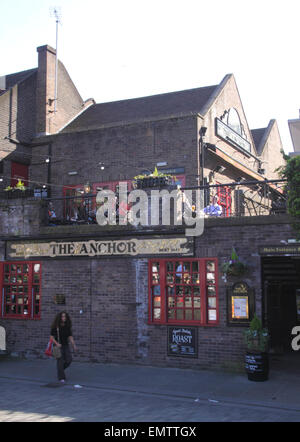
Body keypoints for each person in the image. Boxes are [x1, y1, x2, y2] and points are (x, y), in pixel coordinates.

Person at [50, 311, 77, 383]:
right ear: (59, 318)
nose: (64, 318)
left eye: (65, 316)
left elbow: (70, 336)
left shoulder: (67, 326)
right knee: (60, 361)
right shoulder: (56, 327)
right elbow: (51, 338)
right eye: (62, 316)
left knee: (69, 360)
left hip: (65, 345)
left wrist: (74, 345)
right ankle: (61, 377)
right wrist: (57, 343)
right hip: (58, 346)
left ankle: (60, 370)